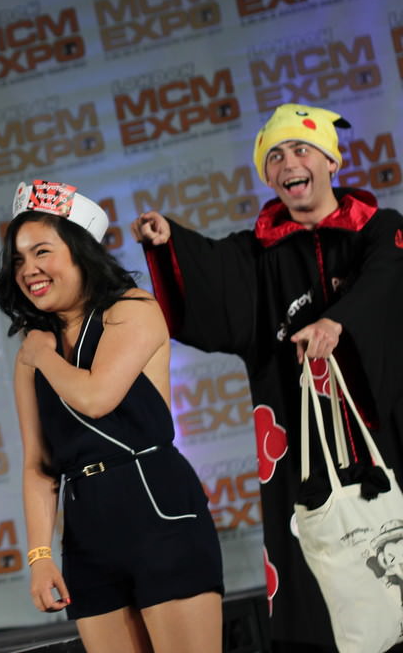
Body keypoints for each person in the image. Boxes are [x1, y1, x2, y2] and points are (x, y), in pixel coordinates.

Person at [131, 102, 403, 652]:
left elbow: (387, 280)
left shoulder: (381, 231)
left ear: (331, 161)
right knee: (321, 588)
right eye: (274, 156)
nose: (288, 162)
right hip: (306, 449)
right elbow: (212, 284)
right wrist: (168, 243)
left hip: (390, 427)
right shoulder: (257, 257)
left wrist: (338, 322)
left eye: (301, 149)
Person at [0, 180, 223, 653]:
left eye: (41, 252)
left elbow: (97, 396)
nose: (28, 270)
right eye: (18, 259)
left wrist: (43, 356)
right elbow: (38, 466)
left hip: (159, 514)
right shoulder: (32, 351)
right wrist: (39, 555)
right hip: (86, 535)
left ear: (81, 252)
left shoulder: (132, 310)